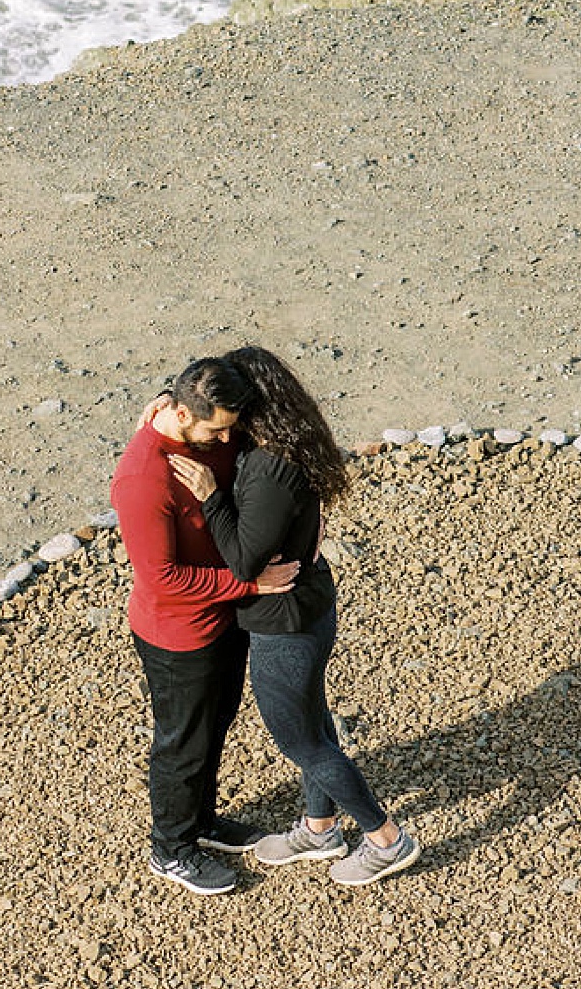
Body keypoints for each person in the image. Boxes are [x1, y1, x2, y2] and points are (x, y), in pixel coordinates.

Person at [167, 344, 419, 887]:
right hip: (308, 601)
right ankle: (320, 826)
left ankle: (385, 839)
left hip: (284, 620)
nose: (224, 429)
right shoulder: (285, 446)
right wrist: (166, 404)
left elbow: (243, 559)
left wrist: (211, 498)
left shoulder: (268, 468)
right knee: (314, 721)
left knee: (301, 740)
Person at [111, 356, 298, 896]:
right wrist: (251, 584)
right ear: (182, 414)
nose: (226, 439)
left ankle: (201, 821)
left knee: (216, 724)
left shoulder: (201, 434)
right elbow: (162, 578)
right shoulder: (144, 479)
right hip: (177, 636)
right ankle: (171, 848)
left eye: (229, 428)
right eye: (215, 429)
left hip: (219, 621)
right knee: (181, 744)